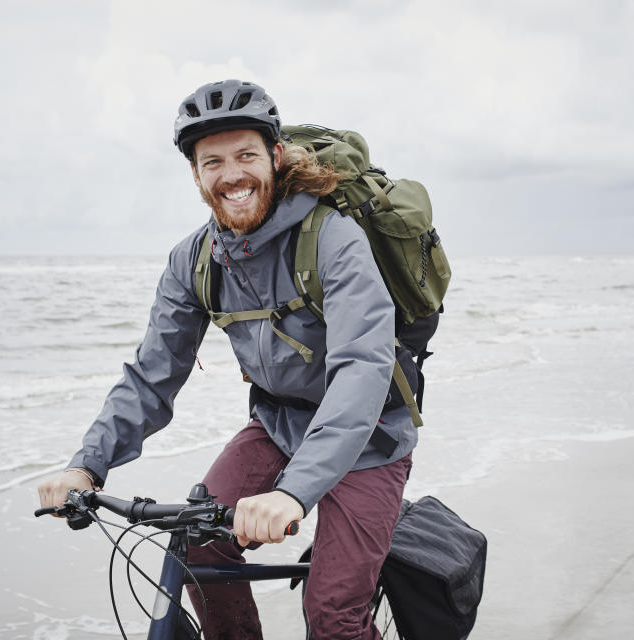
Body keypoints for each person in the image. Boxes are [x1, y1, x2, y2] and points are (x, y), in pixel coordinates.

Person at [37, 79, 418, 639]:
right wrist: (86, 463)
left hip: (371, 436)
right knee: (198, 545)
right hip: (278, 423)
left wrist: (292, 492)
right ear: (196, 175)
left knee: (333, 615)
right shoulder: (193, 260)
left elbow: (362, 369)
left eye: (246, 155)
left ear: (276, 157)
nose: (232, 174)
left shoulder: (334, 238)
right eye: (212, 161)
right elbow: (151, 375)